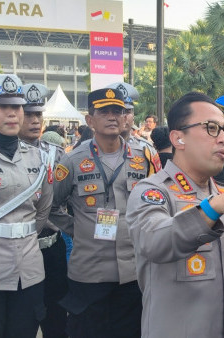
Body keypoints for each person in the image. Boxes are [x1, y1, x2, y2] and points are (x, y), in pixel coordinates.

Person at [126, 91, 224, 338]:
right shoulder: (152, 192)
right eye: (212, 128)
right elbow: (154, 242)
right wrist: (213, 207)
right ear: (178, 138)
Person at [49, 88, 154, 338]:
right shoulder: (72, 161)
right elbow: (51, 206)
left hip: (132, 273)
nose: (112, 117)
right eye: (104, 111)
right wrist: (78, 230)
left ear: (126, 117)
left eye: (117, 111)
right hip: (89, 273)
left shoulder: (144, 158)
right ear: (90, 120)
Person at [0, 74, 54, 338]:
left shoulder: (39, 158)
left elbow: (42, 211)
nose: (12, 114)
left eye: (16, 106)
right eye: (2, 106)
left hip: (28, 269)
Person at [18, 83, 69, 338]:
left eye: (38, 114)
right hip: (16, 251)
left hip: (52, 247)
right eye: (28, 114)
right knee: (20, 320)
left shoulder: (57, 155)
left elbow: (72, 202)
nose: (35, 120)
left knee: (56, 319)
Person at [108, 82, 161, 175]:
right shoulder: (86, 153)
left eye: (127, 111)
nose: (122, 116)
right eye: (117, 111)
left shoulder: (147, 150)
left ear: (133, 116)